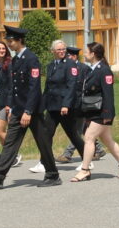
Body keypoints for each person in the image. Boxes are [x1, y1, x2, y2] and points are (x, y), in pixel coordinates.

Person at [0, 25, 59, 188]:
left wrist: (28, 112)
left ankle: (52, 174)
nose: (8, 44)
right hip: (17, 109)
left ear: (19, 40)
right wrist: (10, 106)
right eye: (8, 40)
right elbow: (13, 87)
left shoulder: (31, 58)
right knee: (10, 142)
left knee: (42, 141)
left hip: (32, 110)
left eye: (10, 41)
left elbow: (34, 87)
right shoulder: (15, 60)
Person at [70, 42, 119, 181]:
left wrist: (108, 115)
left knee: (89, 138)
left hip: (102, 112)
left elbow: (108, 94)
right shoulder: (93, 69)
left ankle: (85, 170)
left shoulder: (104, 70)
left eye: (87, 51)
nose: (84, 54)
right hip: (93, 111)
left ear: (93, 54)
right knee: (108, 140)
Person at [34, 39, 85, 173]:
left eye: (64, 49)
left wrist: (66, 105)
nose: (62, 52)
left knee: (73, 134)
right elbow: (48, 87)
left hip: (64, 108)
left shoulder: (70, 64)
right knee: (46, 134)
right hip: (52, 107)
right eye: (59, 50)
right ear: (53, 51)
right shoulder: (51, 65)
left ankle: (87, 160)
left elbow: (71, 86)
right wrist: (41, 106)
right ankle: (44, 162)